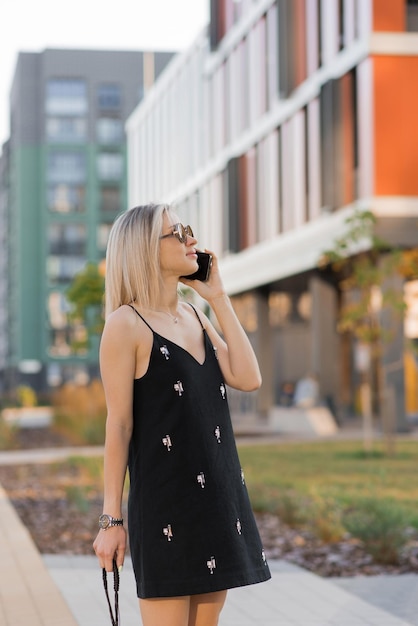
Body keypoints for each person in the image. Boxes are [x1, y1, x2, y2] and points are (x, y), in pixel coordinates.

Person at [93, 203, 271, 626]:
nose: (192, 239)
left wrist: (219, 299)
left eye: (187, 229)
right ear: (143, 250)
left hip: (218, 499)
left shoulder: (194, 314)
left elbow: (249, 378)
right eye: (178, 232)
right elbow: (118, 426)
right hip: (165, 507)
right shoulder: (126, 326)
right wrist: (110, 519)